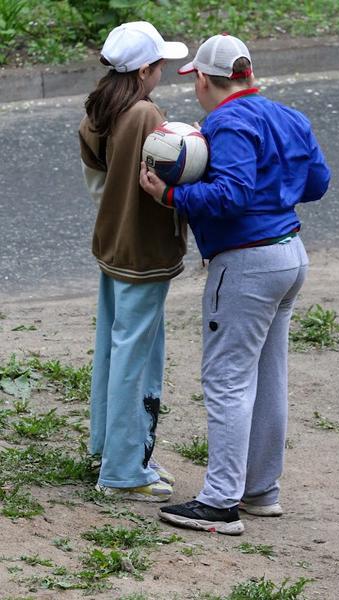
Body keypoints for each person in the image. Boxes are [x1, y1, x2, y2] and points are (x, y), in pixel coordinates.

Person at [139, 33, 331, 535]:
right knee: (268, 378)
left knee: (227, 381)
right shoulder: (288, 115)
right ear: (247, 74)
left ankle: (221, 502)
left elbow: (231, 195)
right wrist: (276, 190)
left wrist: (171, 195)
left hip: (247, 264)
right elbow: (317, 183)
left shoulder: (225, 121)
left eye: (196, 81)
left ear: (204, 78)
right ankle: (261, 491)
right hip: (291, 256)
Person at [79, 21, 188, 502]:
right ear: (146, 69)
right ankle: (123, 470)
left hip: (111, 244)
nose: (162, 70)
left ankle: (112, 446)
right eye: (160, 64)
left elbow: (98, 183)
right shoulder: (145, 114)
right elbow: (167, 177)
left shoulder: (99, 109)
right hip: (143, 252)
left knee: (113, 345)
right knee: (136, 355)